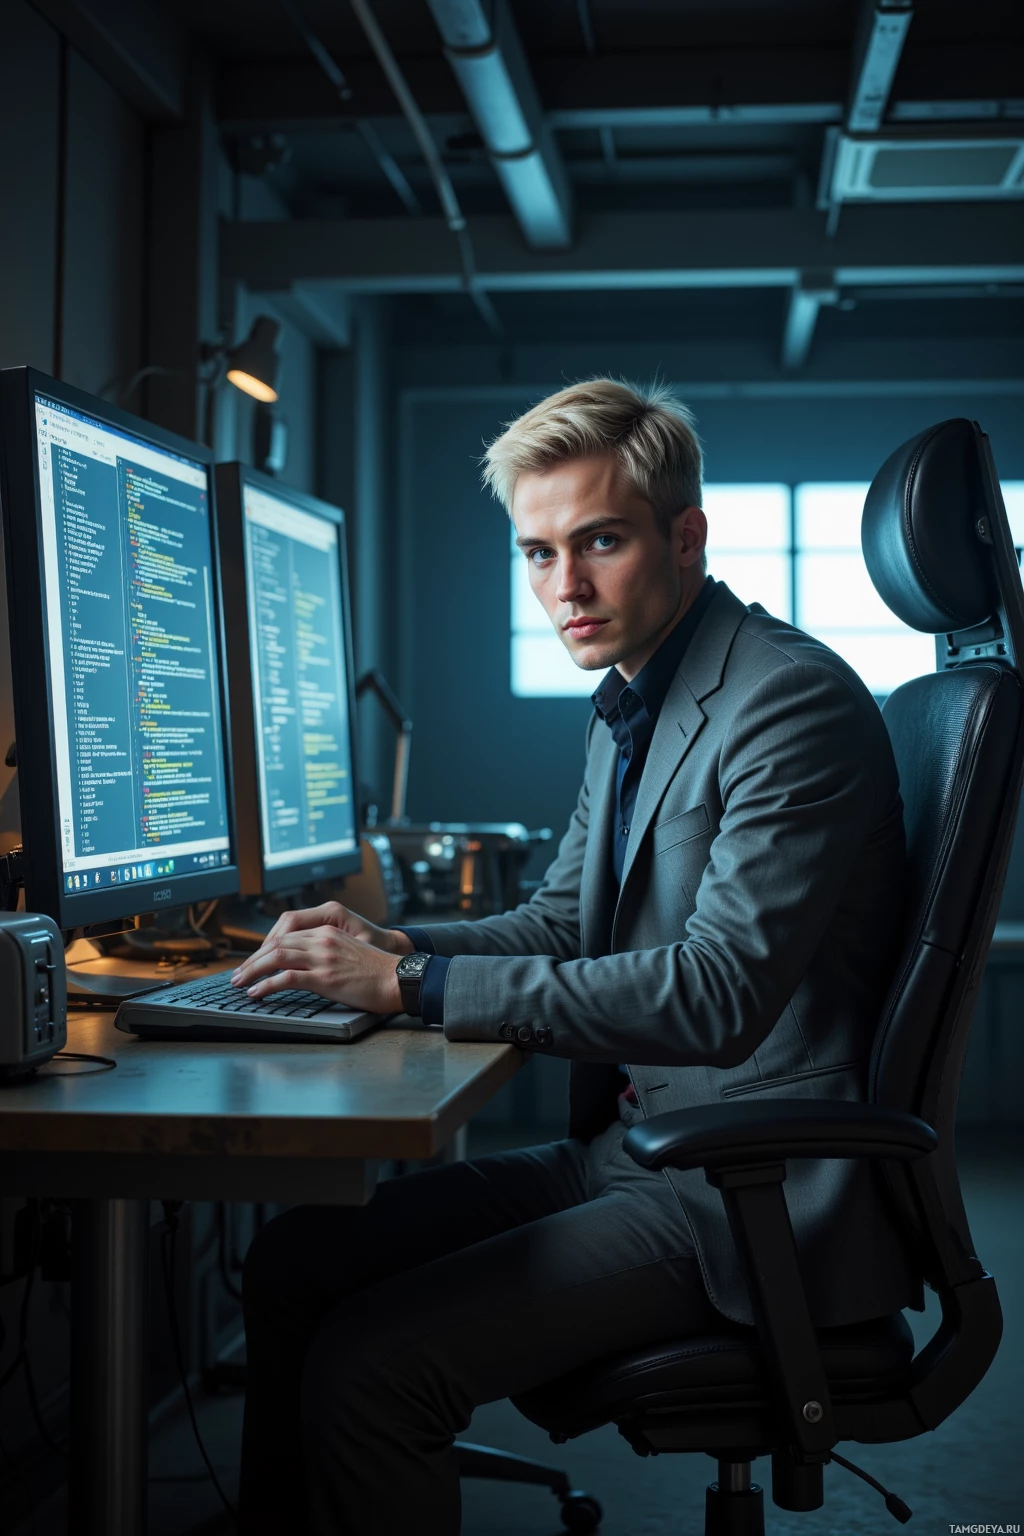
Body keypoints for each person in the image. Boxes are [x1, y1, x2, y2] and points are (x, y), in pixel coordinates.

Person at [234, 378, 919, 1535]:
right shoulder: (628, 699)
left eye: (598, 541)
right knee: (298, 1260)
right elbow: (563, 923)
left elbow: (714, 997)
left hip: (745, 1193)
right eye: (538, 553)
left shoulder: (787, 701)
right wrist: (392, 943)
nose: (567, 588)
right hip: (636, 1150)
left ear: (684, 535)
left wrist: (406, 988)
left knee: (371, 1368)